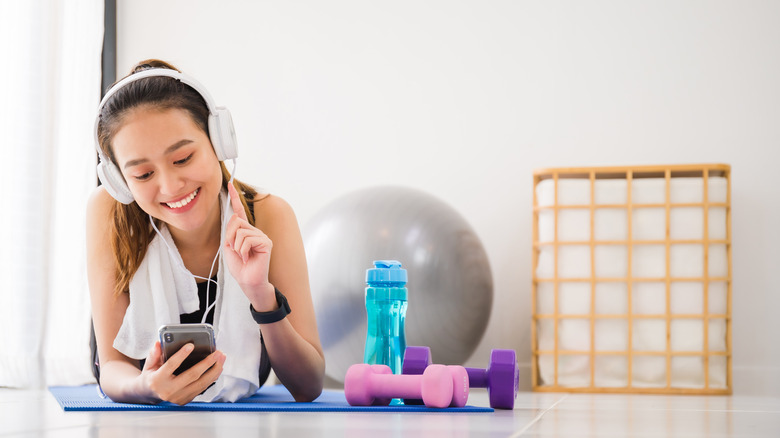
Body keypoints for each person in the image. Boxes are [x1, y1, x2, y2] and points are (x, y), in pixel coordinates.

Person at [87, 59, 325, 405]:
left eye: (182, 158)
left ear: (219, 142)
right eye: (142, 175)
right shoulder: (109, 209)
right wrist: (146, 387)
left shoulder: (270, 215)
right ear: (120, 182)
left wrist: (260, 293)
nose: (170, 187)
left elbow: (308, 385)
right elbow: (113, 368)